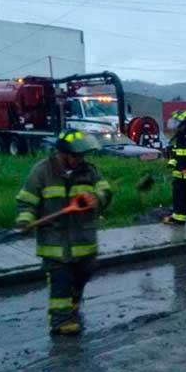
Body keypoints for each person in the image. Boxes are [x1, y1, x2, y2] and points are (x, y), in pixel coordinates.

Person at [15, 129, 112, 335]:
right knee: (61, 282)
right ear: (63, 153)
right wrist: (25, 220)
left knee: (83, 275)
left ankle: (73, 305)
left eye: (81, 156)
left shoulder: (89, 171)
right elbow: (27, 201)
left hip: (83, 239)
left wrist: (98, 198)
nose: (79, 159)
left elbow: (105, 191)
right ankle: (60, 321)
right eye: (75, 155)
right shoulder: (41, 171)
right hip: (54, 242)